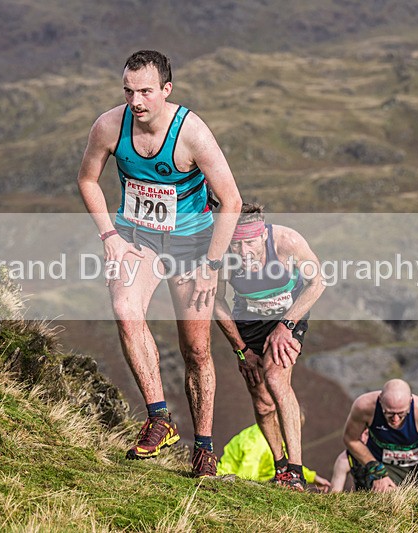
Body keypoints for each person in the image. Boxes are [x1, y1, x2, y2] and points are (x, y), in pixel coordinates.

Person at [77, 49, 242, 477]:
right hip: (137, 238)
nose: (136, 101)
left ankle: (203, 449)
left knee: (196, 350)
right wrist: (110, 237)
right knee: (125, 309)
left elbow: (231, 201)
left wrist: (211, 265)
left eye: (146, 92)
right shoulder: (109, 126)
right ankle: (159, 418)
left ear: (167, 89)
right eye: (128, 91)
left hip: (192, 245)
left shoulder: (192, 133)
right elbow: (87, 179)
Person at [213, 203, 325, 490]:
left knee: (275, 379)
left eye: (250, 242)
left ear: (263, 234)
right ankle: (281, 466)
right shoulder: (222, 254)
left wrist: (286, 326)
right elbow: (217, 301)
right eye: (236, 244)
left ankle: (295, 472)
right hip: (249, 321)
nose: (243, 251)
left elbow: (317, 282)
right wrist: (241, 350)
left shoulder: (288, 242)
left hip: (288, 314)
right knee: (262, 402)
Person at [342, 379, 418, 492]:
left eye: (401, 413)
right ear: (380, 400)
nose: (395, 419)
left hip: (414, 467)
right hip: (378, 461)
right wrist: (376, 470)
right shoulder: (364, 407)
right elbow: (351, 439)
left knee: (406, 499)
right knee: (383, 493)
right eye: (389, 413)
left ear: (410, 402)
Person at [217, 422, 331, 492]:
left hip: (243, 481)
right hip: (227, 483)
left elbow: (286, 465)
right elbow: (246, 475)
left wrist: (313, 477)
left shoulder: (275, 439)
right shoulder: (259, 442)